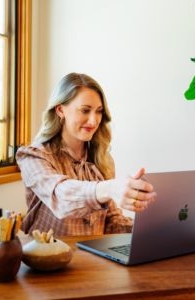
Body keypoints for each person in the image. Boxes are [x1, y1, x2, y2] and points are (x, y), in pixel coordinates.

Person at [16, 72, 156, 236]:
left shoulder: (103, 159)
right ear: (60, 110)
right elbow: (61, 197)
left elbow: (110, 220)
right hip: (47, 258)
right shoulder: (33, 156)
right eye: (85, 110)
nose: (93, 120)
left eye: (98, 111)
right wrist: (109, 188)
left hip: (92, 259)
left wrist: (147, 231)